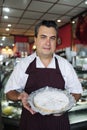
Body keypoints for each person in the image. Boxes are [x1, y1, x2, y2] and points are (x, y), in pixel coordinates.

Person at [4, 20, 83, 130]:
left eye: (52, 38)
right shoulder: (24, 64)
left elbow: (77, 92)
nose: (48, 43)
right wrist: (19, 96)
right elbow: (9, 93)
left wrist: (65, 105)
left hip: (58, 124)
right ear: (35, 40)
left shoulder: (65, 65)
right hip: (31, 124)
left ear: (56, 41)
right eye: (43, 37)